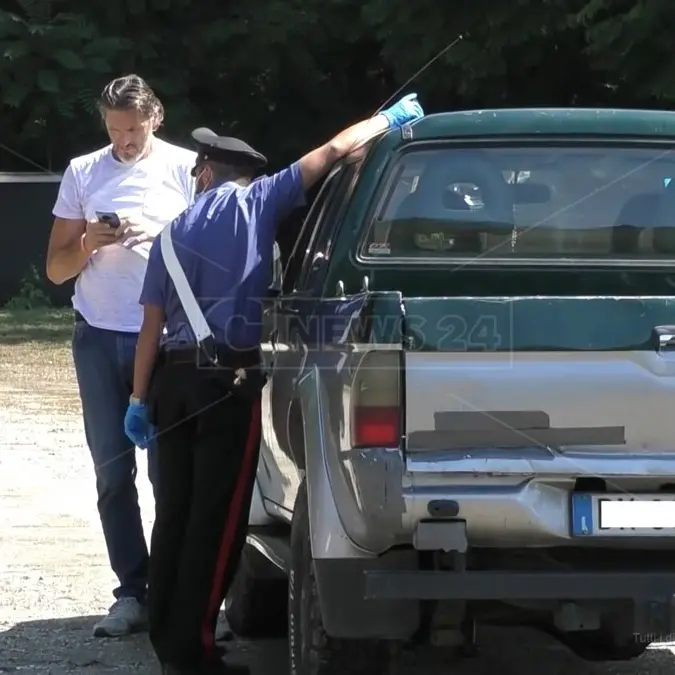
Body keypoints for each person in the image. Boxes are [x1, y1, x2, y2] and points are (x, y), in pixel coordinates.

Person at [124, 93, 424, 675]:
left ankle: (169, 642)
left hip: (172, 384)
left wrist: (137, 402)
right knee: (218, 521)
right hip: (227, 383)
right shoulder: (260, 200)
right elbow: (338, 148)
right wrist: (388, 119)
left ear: (207, 172)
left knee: (175, 514)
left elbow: (149, 329)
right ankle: (196, 654)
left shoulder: (168, 235)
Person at [45, 74, 197, 638]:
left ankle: (178, 592)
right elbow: (56, 270)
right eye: (114, 130)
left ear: (154, 116)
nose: (124, 142)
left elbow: (210, 253)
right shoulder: (85, 171)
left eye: (133, 130)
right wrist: (90, 241)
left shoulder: (185, 168)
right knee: (112, 471)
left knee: (170, 472)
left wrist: (158, 237)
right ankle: (131, 591)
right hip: (99, 336)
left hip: (165, 340)